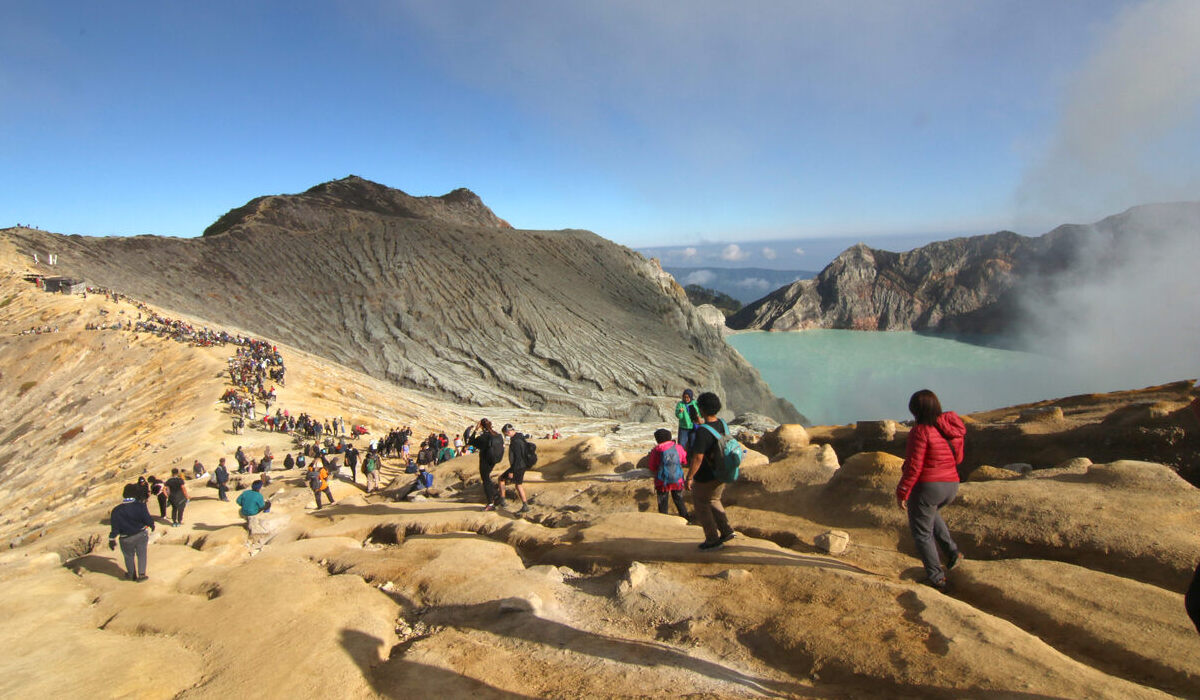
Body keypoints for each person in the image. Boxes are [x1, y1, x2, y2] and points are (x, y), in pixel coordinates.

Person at [896, 389, 966, 592]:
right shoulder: (949, 429)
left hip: (929, 487)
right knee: (931, 515)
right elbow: (958, 458)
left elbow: (914, 466)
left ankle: (936, 578)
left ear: (916, 410)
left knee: (922, 534)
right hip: (951, 484)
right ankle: (953, 553)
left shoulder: (920, 431)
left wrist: (903, 491)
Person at [685, 392, 737, 551]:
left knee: (701, 504)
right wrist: (699, 422)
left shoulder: (702, 432)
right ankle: (726, 530)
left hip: (706, 476)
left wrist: (689, 477)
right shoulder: (722, 424)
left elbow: (698, 458)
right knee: (714, 499)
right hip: (723, 471)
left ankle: (712, 540)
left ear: (702, 409)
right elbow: (712, 433)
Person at [108, 483, 155, 581]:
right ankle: (142, 575)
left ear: (124, 494)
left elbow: (115, 528)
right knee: (142, 554)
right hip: (141, 534)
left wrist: (112, 539)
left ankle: (131, 575)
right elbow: (147, 518)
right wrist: (151, 525)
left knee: (128, 556)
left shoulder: (116, 510)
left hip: (125, 538)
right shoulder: (140, 506)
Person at [648, 428, 690, 519]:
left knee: (662, 503)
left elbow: (652, 466)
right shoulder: (678, 447)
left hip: (662, 481)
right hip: (677, 479)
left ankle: (664, 520)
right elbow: (684, 460)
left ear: (657, 439)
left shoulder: (656, 450)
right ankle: (686, 518)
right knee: (679, 500)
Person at [466, 419, 504, 511]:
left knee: (486, 480)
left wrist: (475, 430)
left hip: (485, 460)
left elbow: (470, 442)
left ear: (481, 426)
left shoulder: (484, 437)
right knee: (487, 478)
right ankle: (496, 496)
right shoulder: (498, 435)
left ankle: (491, 503)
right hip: (494, 459)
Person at [496, 424, 532, 514]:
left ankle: (504, 502)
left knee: (507, 481)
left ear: (508, 432)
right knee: (517, 484)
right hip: (522, 465)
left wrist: (512, 471)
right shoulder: (520, 437)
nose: (506, 436)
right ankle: (523, 505)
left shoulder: (516, 441)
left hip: (517, 466)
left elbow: (517, 457)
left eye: (505, 434)